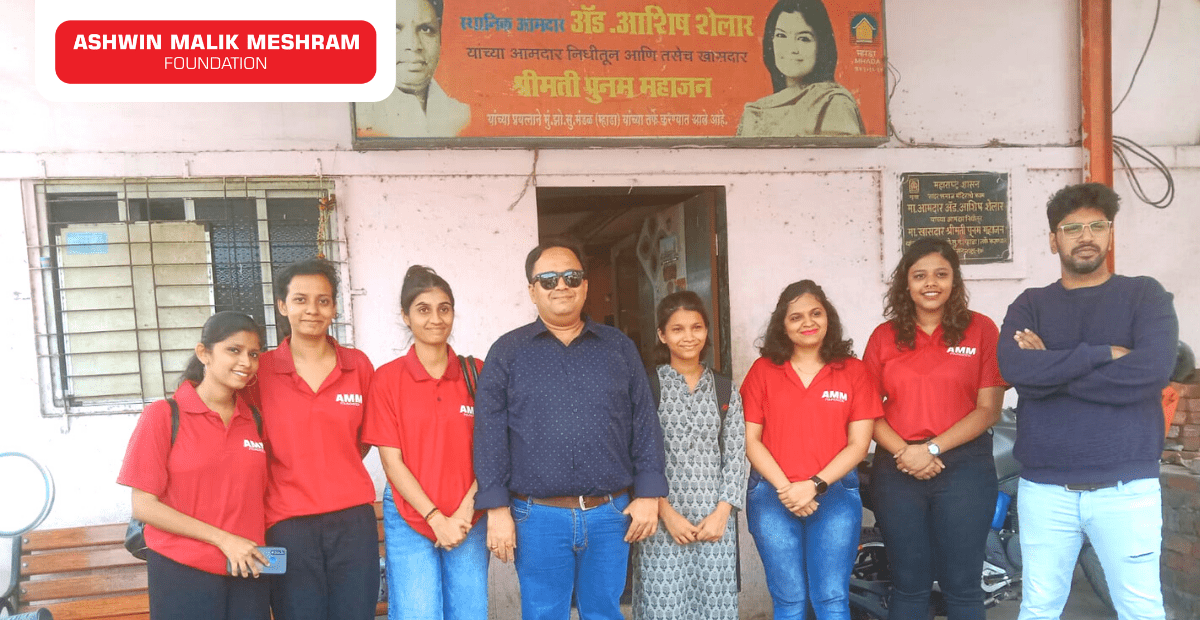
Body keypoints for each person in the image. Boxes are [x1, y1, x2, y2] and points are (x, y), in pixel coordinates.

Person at [997, 183, 1177, 620]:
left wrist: (1051, 371)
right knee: (1038, 608)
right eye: (1072, 228)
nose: (1086, 236)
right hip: (1045, 490)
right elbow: (1017, 370)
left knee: (1141, 609)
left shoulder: (1145, 296)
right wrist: (1101, 354)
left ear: (1110, 234)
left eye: (1097, 226)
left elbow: (1151, 372)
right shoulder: (1031, 304)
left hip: (1126, 488)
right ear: (1053, 239)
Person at [472, 237, 668, 620]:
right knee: (544, 613)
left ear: (585, 285)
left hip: (610, 514)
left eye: (571, 277)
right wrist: (496, 509)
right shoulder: (508, 352)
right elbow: (489, 435)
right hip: (538, 518)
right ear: (532, 290)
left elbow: (644, 422)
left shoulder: (618, 348)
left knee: (605, 612)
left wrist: (648, 494)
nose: (561, 285)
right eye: (548, 280)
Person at [862, 238, 1005, 620]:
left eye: (941, 274)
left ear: (954, 280)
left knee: (962, 587)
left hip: (965, 468)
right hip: (898, 468)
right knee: (909, 586)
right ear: (905, 283)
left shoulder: (981, 329)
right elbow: (867, 411)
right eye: (919, 275)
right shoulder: (884, 336)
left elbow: (989, 409)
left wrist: (931, 449)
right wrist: (905, 452)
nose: (931, 283)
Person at [741, 280, 881, 620]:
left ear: (828, 317)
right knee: (789, 601)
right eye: (796, 317)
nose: (808, 322)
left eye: (816, 313)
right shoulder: (763, 371)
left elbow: (859, 444)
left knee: (831, 599)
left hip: (834, 494)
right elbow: (750, 440)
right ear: (782, 325)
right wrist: (788, 489)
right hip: (772, 495)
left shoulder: (854, 371)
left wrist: (813, 485)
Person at [117, 311, 270, 620]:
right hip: (182, 570)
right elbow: (144, 506)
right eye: (234, 350)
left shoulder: (253, 419)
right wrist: (224, 540)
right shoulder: (163, 415)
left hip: (247, 570)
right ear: (204, 353)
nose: (246, 362)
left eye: (253, 354)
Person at [252, 258, 379, 620]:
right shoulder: (261, 371)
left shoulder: (358, 365)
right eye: (300, 300)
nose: (312, 310)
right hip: (287, 524)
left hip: (353, 520)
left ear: (334, 307)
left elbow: (365, 438)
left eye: (323, 301)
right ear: (282, 305)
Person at [362, 265, 487, 620]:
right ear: (406, 316)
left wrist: (463, 513)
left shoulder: (477, 372)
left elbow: (494, 451)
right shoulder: (387, 379)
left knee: (469, 613)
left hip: (469, 511)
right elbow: (391, 461)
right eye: (423, 309)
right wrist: (435, 518)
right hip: (409, 512)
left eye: (444, 308)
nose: (436, 318)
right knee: (419, 613)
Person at [632, 291, 747, 620]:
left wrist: (723, 513)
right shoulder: (647, 387)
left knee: (714, 607)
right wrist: (666, 514)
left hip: (714, 523)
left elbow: (736, 454)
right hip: (661, 521)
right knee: (664, 608)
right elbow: (635, 453)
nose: (688, 336)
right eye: (677, 329)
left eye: (696, 327)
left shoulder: (724, 388)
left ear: (707, 331)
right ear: (662, 335)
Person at [736, 0, 864, 138]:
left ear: (821, 45)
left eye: (803, 39)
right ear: (771, 41)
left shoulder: (833, 103)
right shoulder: (755, 111)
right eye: (781, 35)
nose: (791, 49)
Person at [355, 0, 470, 137]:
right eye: (394, 29)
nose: (414, 45)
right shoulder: (357, 117)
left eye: (426, 29)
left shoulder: (462, 116)